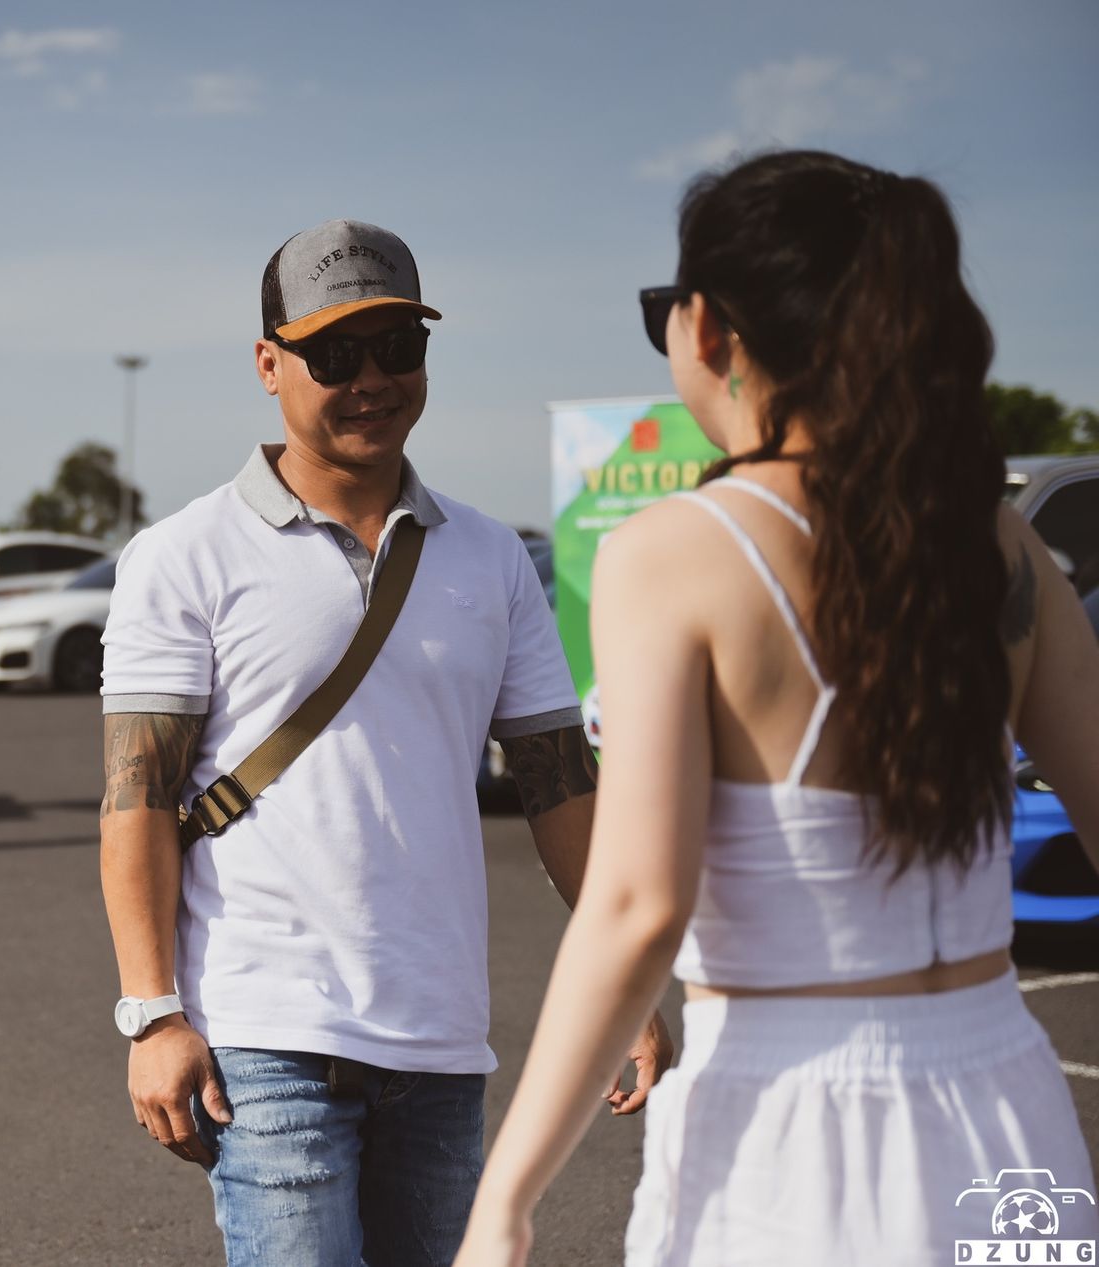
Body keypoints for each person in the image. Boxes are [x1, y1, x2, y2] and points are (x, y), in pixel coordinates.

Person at [454, 151, 1099, 1267]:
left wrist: (504, 1200)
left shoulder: (677, 551)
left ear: (710, 328)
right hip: (1008, 1113)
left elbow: (636, 907)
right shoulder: (1001, 544)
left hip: (791, 1135)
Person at [99, 218, 671, 1267]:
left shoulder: (491, 557)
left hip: (440, 1038)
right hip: (263, 1037)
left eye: (397, 345)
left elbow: (559, 784)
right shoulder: (183, 554)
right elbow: (138, 793)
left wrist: (623, 979)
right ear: (269, 363)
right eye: (334, 354)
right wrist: (152, 1013)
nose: (371, 378)